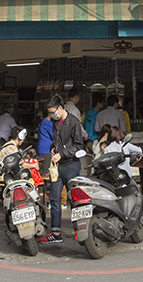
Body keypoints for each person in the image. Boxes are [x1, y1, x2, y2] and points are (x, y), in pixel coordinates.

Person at [42, 94, 84, 244]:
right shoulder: (55, 122)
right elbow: (57, 142)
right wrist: (53, 148)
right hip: (57, 167)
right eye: (50, 112)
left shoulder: (73, 122)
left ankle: (79, 230)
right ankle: (55, 232)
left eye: (53, 111)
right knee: (54, 198)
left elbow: (79, 146)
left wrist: (62, 154)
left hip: (71, 165)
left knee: (74, 199)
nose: (52, 115)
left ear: (60, 108)